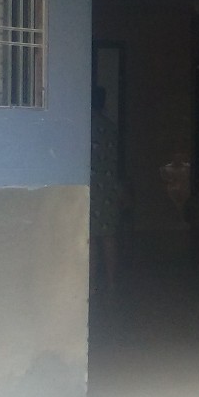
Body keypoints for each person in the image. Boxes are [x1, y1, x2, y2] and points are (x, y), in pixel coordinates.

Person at [89, 85, 122, 294]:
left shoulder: (86, 126)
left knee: (91, 238)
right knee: (109, 236)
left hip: (91, 187)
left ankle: (91, 284)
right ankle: (111, 282)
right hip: (109, 187)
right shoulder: (110, 127)